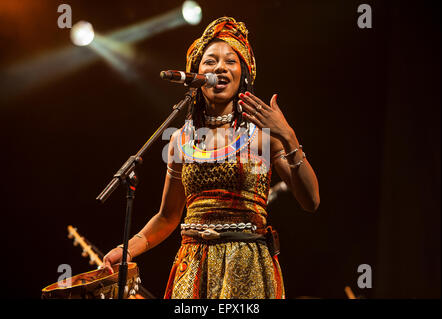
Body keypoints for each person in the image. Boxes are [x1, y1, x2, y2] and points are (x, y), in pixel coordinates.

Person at [102, 16, 320, 299]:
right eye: (210, 61)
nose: (220, 67)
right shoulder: (181, 139)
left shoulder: (263, 135)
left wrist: (289, 136)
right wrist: (128, 247)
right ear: (196, 74)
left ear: (244, 73)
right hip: (193, 268)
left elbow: (311, 200)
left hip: (247, 267)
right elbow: (168, 217)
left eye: (231, 61)